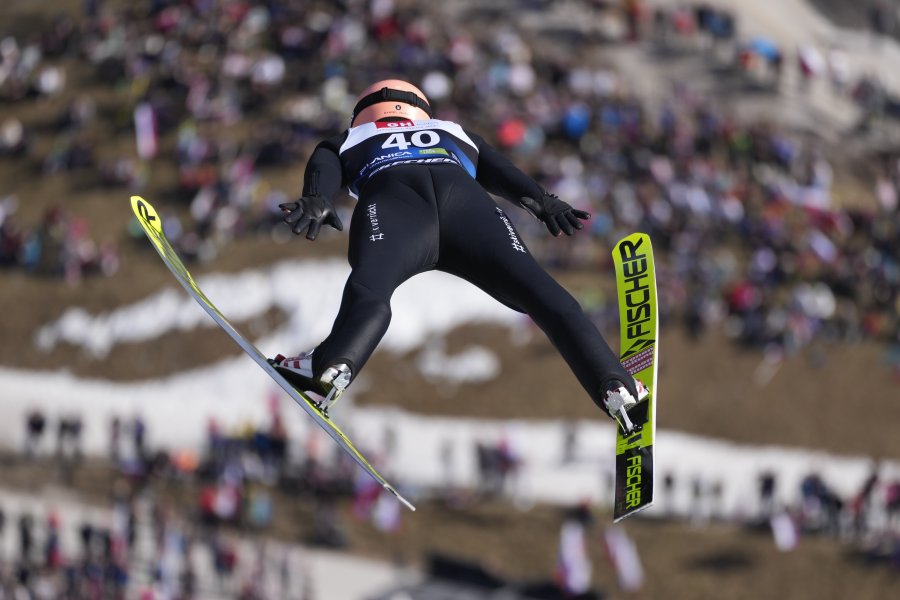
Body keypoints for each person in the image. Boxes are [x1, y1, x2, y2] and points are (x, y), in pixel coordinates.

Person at [270, 79, 645, 421]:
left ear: (362, 112)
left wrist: (316, 198)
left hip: (394, 204)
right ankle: (615, 385)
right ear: (421, 109)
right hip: (469, 210)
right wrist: (544, 202)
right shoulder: (452, 130)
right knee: (541, 294)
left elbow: (325, 163)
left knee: (372, 290)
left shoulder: (351, 137)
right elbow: (501, 170)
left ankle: (332, 366)